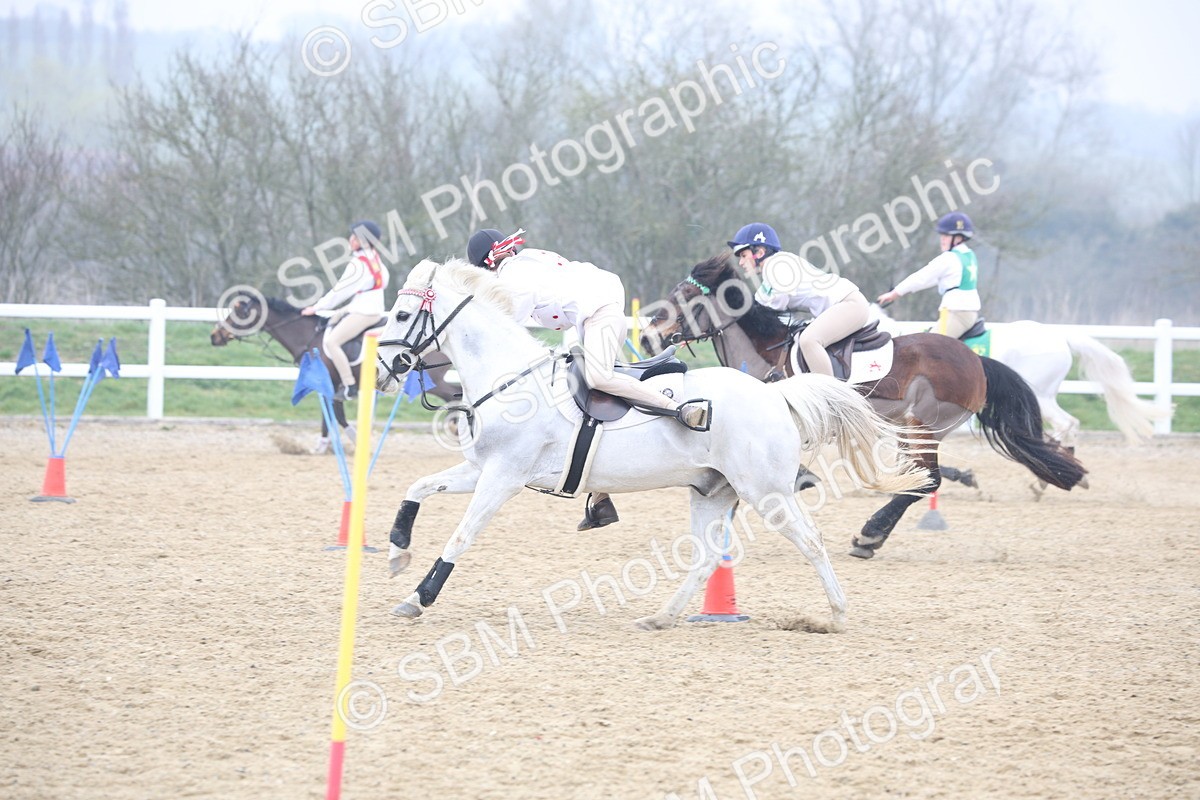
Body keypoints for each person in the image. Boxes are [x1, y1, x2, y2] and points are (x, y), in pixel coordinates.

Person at [466, 227, 710, 531]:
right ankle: (600, 499)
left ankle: (678, 408)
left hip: (598, 315)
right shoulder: (525, 263)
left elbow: (504, 331)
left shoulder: (512, 279)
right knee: (588, 399)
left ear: (488, 264)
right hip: (594, 316)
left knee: (597, 378)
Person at [728, 222, 870, 378]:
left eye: (743, 255)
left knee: (809, 340)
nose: (741, 262)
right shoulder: (772, 270)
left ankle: (830, 397)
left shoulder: (777, 264)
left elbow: (775, 303)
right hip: (844, 305)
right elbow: (759, 303)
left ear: (760, 252)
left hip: (849, 305)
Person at [302, 221, 390, 401]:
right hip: (368, 307)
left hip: (364, 312)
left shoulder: (358, 263)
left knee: (332, 342)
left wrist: (317, 307)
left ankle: (349, 384)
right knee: (334, 319)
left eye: (355, 237)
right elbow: (383, 283)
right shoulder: (375, 258)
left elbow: (339, 291)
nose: (350, 239)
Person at [876, 212, 980, 338]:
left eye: (946, 235)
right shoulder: (969, 255)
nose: (942, 239)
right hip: (967, 312)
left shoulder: (949, 258)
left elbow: (922, 277)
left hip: (955, 312)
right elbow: (933, 280)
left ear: (958, 238)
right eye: (942, 235)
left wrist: (895, 293)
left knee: (932, 349)